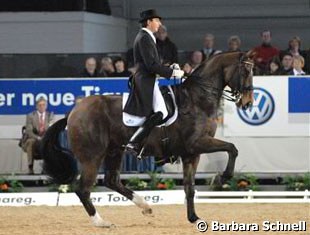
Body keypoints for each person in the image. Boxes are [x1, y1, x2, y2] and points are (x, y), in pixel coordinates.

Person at [123, 9, 184, 158]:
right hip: (145, 80)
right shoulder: (144, 37)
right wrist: (172, 74)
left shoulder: (148, 37)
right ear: (149, 22)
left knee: (162, 112)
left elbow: (153, 63)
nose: (159, 24)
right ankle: (134, 142)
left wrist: (170, 68)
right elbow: (151, 65)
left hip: (148, 79)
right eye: (157, 20)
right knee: (161, 112)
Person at [23, 97, 54, 174]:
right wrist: (38, 137)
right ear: (36, 106)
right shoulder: (30, 116)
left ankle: (46, 167)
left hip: (45, 138)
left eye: (43, 105)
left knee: (50, 144)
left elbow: (51, 129)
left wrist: (44, 138)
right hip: (34, 138)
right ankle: (30, 167)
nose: (42, 107)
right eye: (40, 105)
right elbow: (28, 131)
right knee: (30, 142)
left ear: (46, 106)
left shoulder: (50, 115)